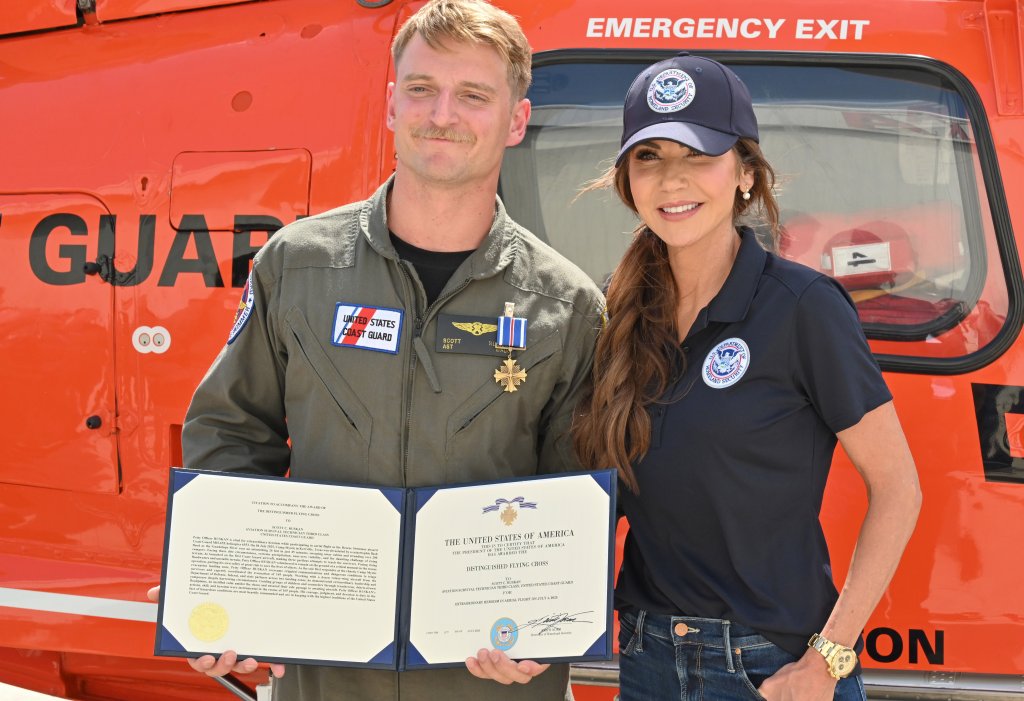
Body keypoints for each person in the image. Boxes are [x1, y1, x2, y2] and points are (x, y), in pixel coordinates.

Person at [151, 1, 604, 699]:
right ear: (392, 104)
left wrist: (548, 624)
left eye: (473, 95)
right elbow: (231, 432)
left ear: (516, 119)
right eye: (421, 89)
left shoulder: (565, 307)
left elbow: (577, 492)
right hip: (327, 680)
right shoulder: (297, 268)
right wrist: (217, 588)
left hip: (488, 682)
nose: (442, 113)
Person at [571, 54, 921, 701]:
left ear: (746, 174)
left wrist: (830, 658)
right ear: (627, 179)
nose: (672, 180)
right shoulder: (614, 313)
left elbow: (899, 487)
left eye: (698, 155)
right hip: (647, 660)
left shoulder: (802, 307)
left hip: (768, 669)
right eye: (649, 157)